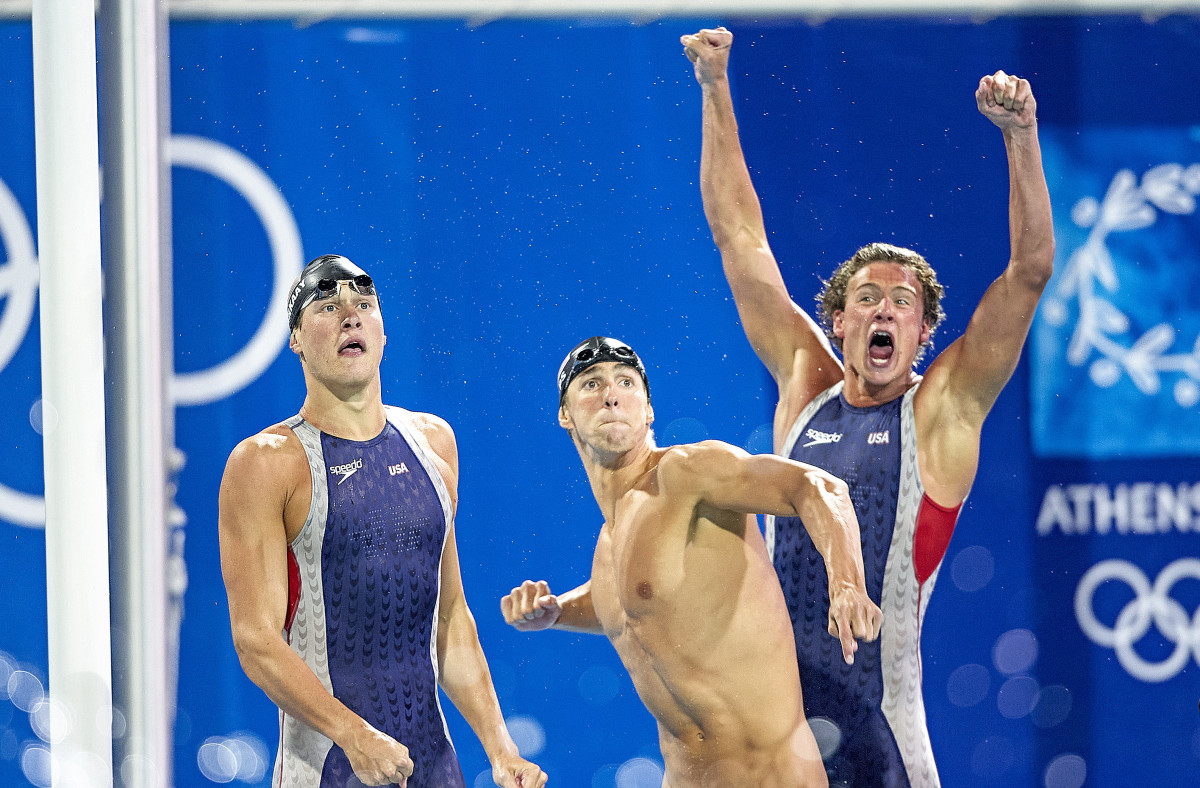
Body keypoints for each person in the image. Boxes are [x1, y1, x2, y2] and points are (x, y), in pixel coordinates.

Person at [682, 27, 1054, 787]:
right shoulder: (805, 385)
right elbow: (738, 238)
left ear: (923, 332)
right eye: (867, 298)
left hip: (880, 732)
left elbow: (1029, 272)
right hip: (778, 733)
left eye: (903, 302)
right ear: (839, 320)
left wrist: (1021, 138)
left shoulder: (942, 411)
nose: (885, 309)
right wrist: (715, 88)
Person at [218, 254, 547, 788]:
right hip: (329, 769)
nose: (350, 316)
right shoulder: (266, 463)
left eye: (364, 305)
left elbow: (450, 617)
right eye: (328, 307)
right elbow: (256, 639)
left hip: (434, 767)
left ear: (382, 331)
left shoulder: (433, 443)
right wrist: (353, 735)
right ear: (296, 339)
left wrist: (500, 748)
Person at [500, 336, 882, 788]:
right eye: (591, 383)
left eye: (626, 382)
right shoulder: (607, 546)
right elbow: (626, 604)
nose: (610, 395)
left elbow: (818, 488)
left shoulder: (687, 473)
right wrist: (556, 612)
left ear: (648, 410)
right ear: (565, 414)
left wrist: (847, 583)